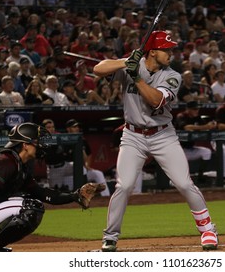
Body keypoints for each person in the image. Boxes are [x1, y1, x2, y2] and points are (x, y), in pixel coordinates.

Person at [93, 30, 218, 252]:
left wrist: (136, 76)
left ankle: (208, 230)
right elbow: (98, 69)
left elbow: (156, 100)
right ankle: (110, 236)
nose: (171, 53)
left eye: (171, 49)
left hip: (163, 135)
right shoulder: (132, 65)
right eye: (166, 49)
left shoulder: (173, 75)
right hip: (132, 136)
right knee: (124, 185)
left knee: (183, 183)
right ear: (152, 52)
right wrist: (125, 62)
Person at [0, 122, 97, 252]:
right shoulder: (7, 161)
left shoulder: (18, 164)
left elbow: (42, 193)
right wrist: (15, 198)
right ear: (25, 145)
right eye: (36, 142)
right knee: (29, 207)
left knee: (33, 205)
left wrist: (75, 196)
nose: (40, 145)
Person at [64, 119, 110, 196]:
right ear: (68, 129)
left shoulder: (82, 140)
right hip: (68, 171)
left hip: (82, 171)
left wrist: (87, 165)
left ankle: (106, 196)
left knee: (98, 174)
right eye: (74, 127)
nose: (77, 128)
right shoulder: (65, 140)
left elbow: (89, 155)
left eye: (77, 127)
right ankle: (82, 195)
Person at [174, 100, 216, 177]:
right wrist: (205, 126)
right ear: (188, 109)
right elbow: (186, 127)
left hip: (190, 148)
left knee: (206, 152)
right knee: (179, 177)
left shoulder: (197, 117)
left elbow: (205, 126)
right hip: (178, 150)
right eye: (194, 109)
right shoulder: (181, 116)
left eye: (197, 109)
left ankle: (200, 175)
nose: (197, 111)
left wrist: (211, 125)